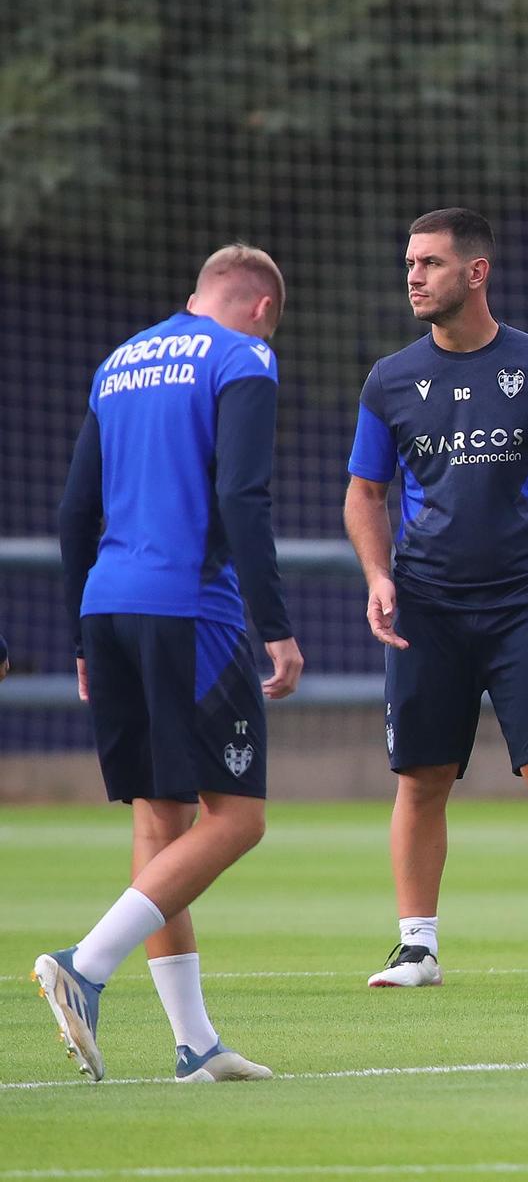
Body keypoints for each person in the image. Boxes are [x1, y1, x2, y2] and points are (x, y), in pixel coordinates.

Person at [38, 244, 304, 1082]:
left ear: (197, 296)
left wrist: (82, 639)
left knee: (161, 823)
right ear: (262, 307)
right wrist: (276, 625)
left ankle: (194, 1045)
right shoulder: (245, 356)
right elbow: (242, 495)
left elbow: (75, 510)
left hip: (108, 605)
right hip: (192, 611)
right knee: (240, 817)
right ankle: (85, 965)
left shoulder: (120, 363)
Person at [344, 208, 528, 990]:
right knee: (422, 777)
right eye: (409, 263)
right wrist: (377, 574)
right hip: (426, 605)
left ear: (476, 272)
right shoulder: (389, 379)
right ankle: (416, 948)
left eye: (429, 263)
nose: (413, 277)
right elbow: (364, 494)